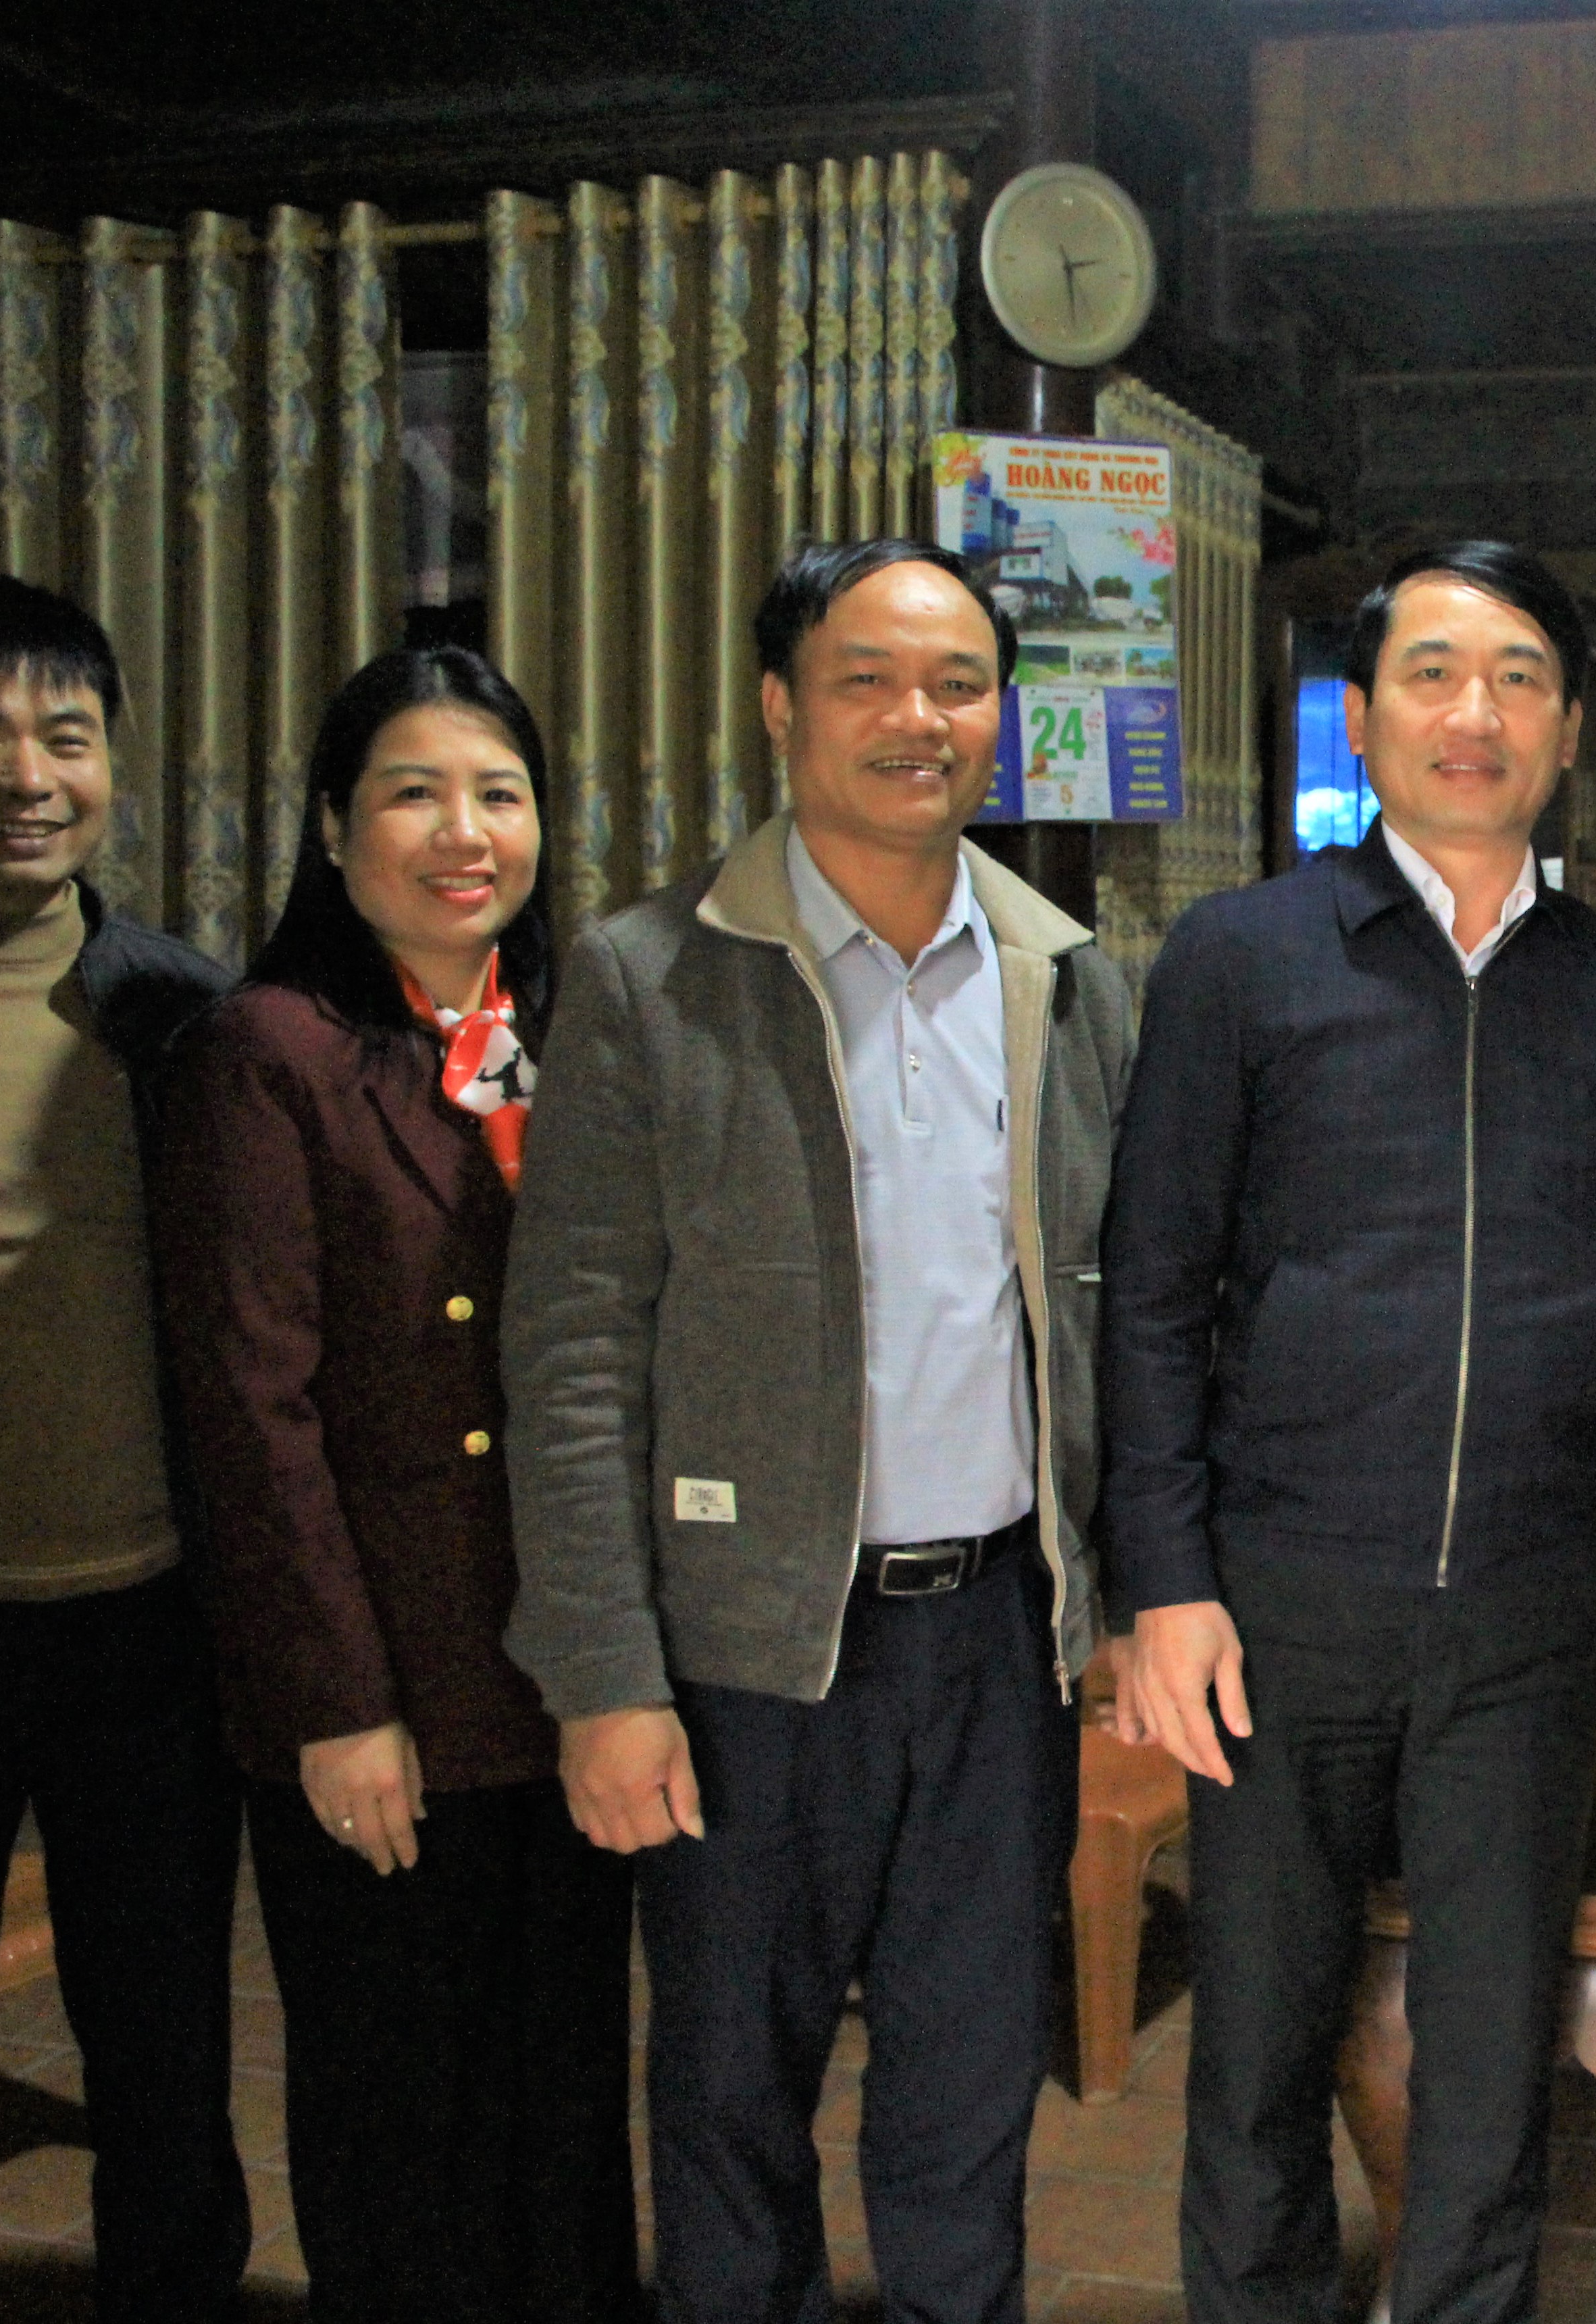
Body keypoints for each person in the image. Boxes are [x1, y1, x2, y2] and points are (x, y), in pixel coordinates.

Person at [1104, 540, 1596, 2324]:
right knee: (1253, 2052)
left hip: (1527, 1611)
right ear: (1365, 714)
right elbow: (1149, 1292)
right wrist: (1165, 1582)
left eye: (1519, 677)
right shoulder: (1241, 957)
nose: (1476, 712)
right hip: (1279, 1601)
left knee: (1490, 2060)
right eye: (1433, 673)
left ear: (1569, 729)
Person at [503, 540, 1133, 2324]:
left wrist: (1117, 1597)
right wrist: (605, 1679)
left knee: (969, 2091)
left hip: (996, 1640)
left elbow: (1118, 1317)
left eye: (956, 683)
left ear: (999, 718)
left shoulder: (1071, 979)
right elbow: (571, 1357)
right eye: (866, 679)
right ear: (780, 707)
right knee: (727, 2097)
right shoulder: (650, 977)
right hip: (747, 1653)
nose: (914, 718)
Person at [154, 646, 638, 2323]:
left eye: (500, 792)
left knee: (560, 2088)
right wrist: (337, 1701)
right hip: (392, 1682)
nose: (464, 832)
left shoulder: (561, 1033)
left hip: (560, 1665)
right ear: (329, 827)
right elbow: (252, 1412)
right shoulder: (269, 1050)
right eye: (412, 793)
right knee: (398, 2104)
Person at [0, 573, 248, 2321]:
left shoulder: (187, 1014)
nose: (29, 775)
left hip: (147, 1628)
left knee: (165, 2053)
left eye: (67, 735)